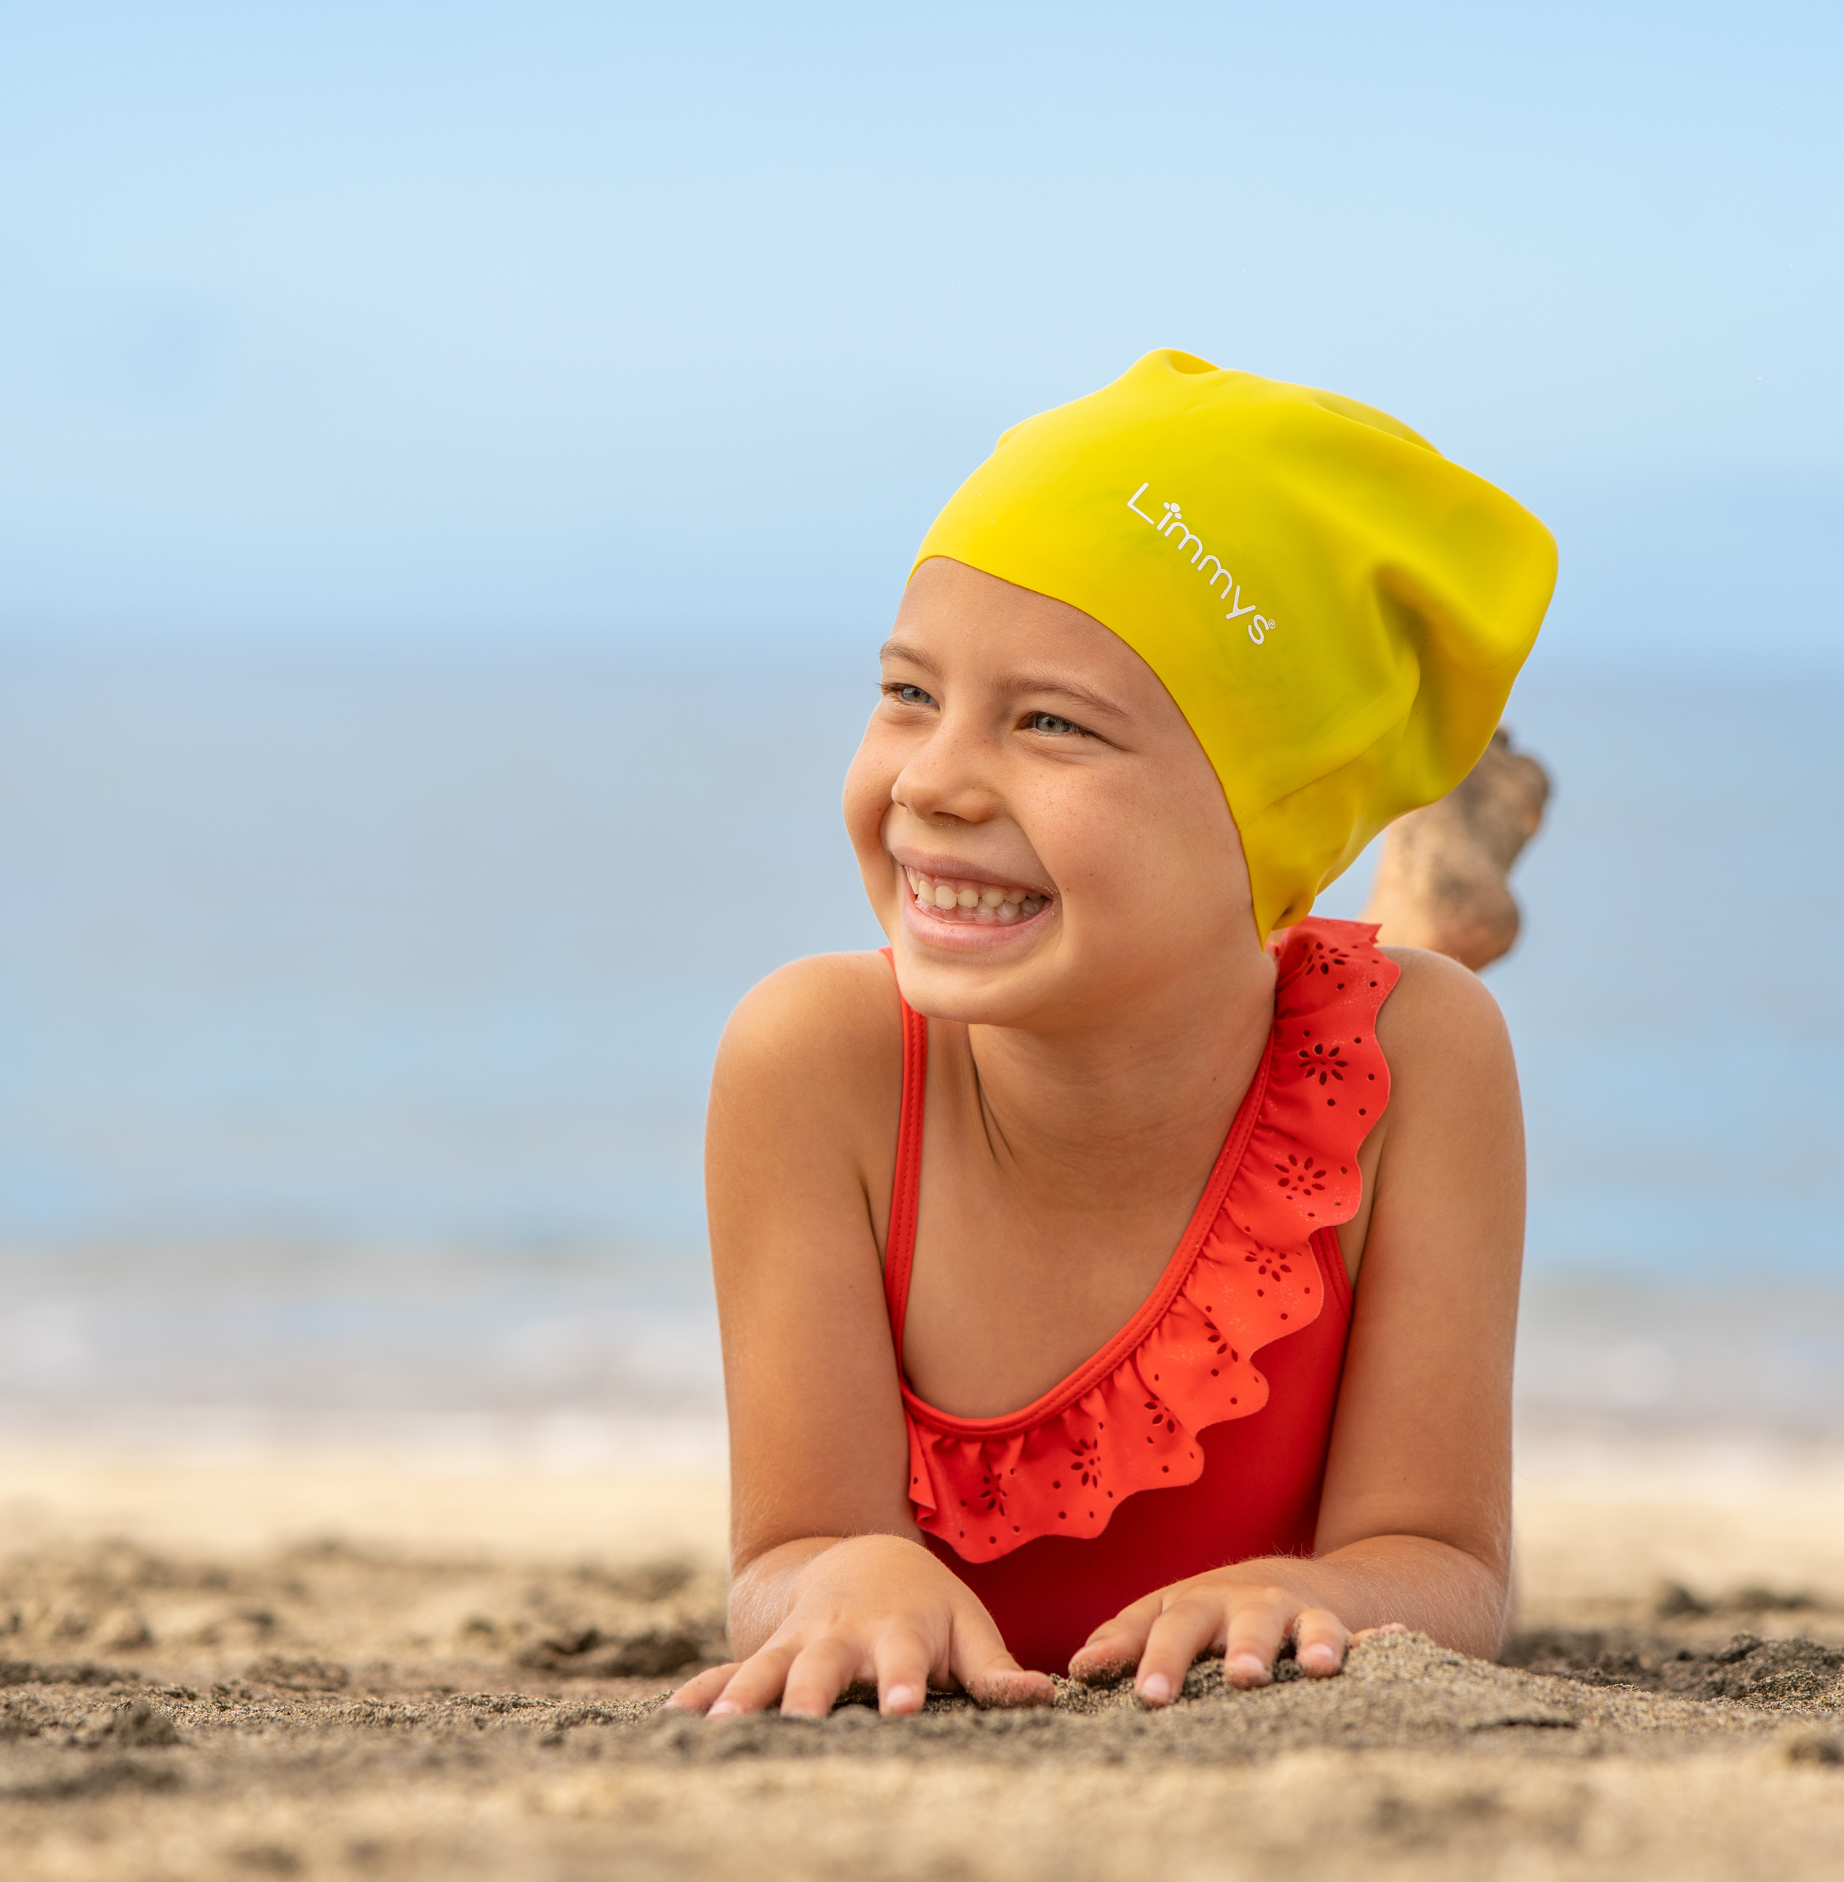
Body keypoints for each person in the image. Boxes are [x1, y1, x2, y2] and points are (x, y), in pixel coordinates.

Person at [667, 351, 1557, 1720]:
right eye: (908, 693)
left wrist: (1319, 1592)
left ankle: (1422, 894)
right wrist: (846, 1574)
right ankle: (1428, 871)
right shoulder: (814, 1063)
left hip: (1312, 993)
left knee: (1396, 998)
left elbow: (1443, 1565)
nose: (933, 779)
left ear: (1258, 822)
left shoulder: (1427, 1067)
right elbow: (782, 1554)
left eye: (1048, 723)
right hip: (1244, 948)